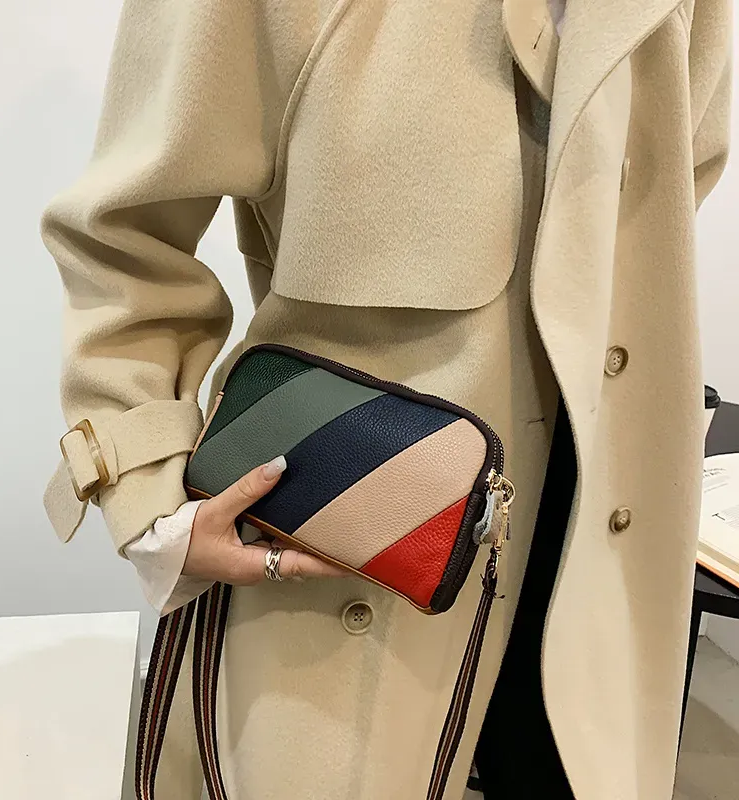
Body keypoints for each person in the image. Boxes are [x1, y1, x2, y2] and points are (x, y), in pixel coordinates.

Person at [40, 0, 732, 798]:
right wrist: (152, 501)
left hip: (603, 527)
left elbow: (677, 174)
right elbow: (121, 240)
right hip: (362, 551)